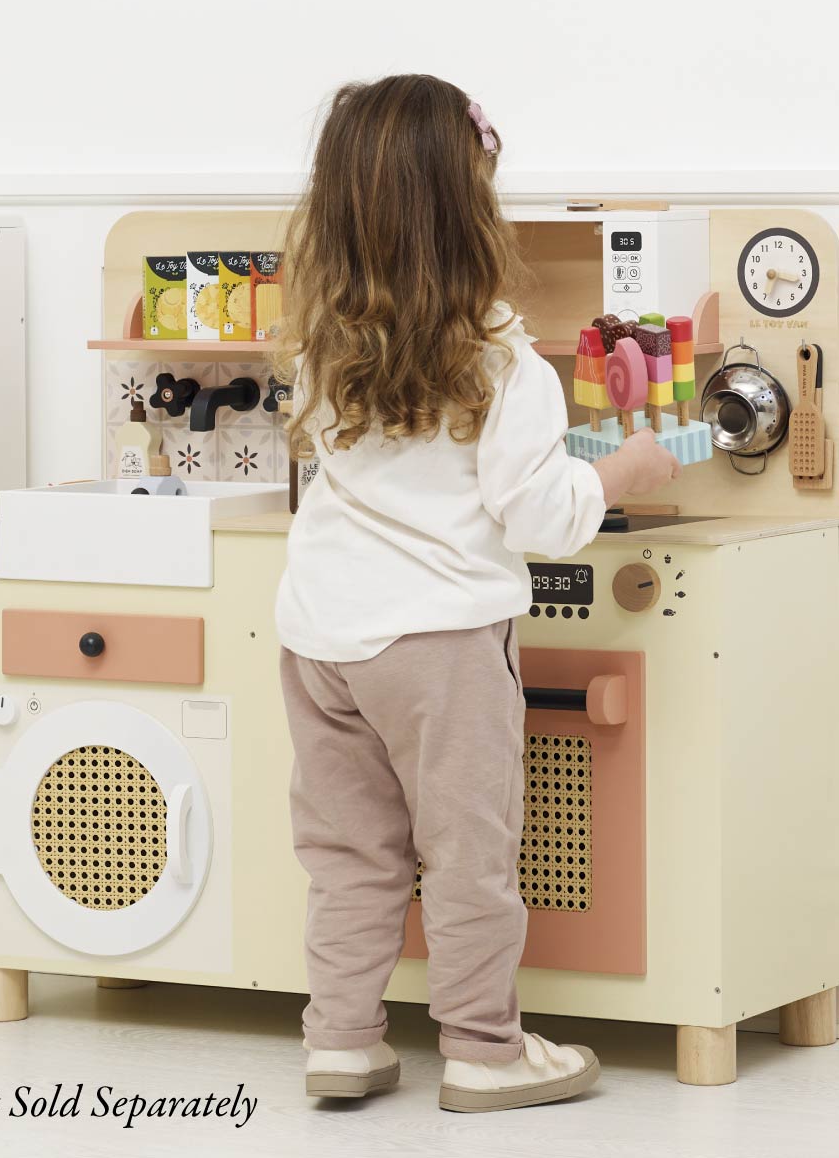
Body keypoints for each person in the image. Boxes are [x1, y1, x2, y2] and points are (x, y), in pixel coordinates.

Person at [274, 75, 678, 1112]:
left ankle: (341, 1042)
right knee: (468, 854)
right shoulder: (498, 352)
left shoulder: (322, 332)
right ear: (470, 209)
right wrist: (625, 473)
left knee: (350, 853)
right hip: (440, 645)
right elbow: (538, 516)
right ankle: (484, 1047)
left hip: (320, 637)